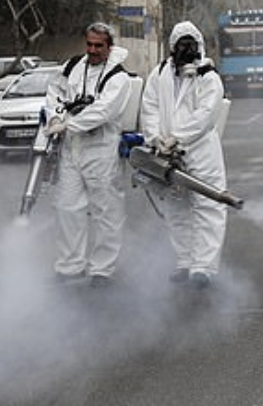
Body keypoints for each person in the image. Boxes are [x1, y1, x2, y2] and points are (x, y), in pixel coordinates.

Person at [141, 21, 230, 289]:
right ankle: (185, 261)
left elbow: (205, 115)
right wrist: (156, 139)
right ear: (171, 48)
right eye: (181, 44)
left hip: (201, 152)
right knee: (176, 206)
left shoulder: (209, 77)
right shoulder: (159, 74)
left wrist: (177, 138)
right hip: (166, 151)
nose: (186, 49)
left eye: (191, 44)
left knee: (208, 206)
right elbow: (150, 108)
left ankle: (204, 267)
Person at [45, 22, 132, 288]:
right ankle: (70, 265)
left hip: (101, 150)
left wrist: (69, 124)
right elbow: (54, 92)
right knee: (67, 207)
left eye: (99, 46)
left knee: (106, 211)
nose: (93, 50)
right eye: (89, 44)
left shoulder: (118, 77)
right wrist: (56, 116)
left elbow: (103, 111)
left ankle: (102, 269)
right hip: (72, 148)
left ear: (109, 47)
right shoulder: (72, 67)